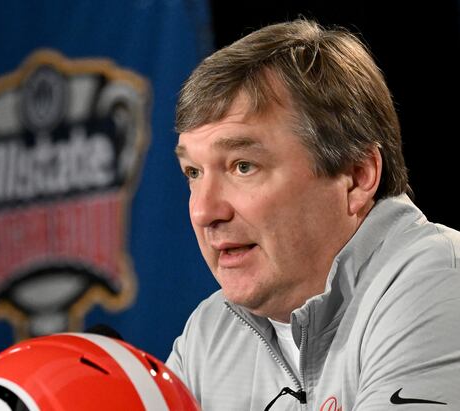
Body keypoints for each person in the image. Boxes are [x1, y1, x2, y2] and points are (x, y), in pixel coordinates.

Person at [167, 18, 460, 410]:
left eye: (243, 166)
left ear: (356, 176)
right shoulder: (210, 332)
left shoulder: (440, 282)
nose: (204, 211)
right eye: (193, 172)